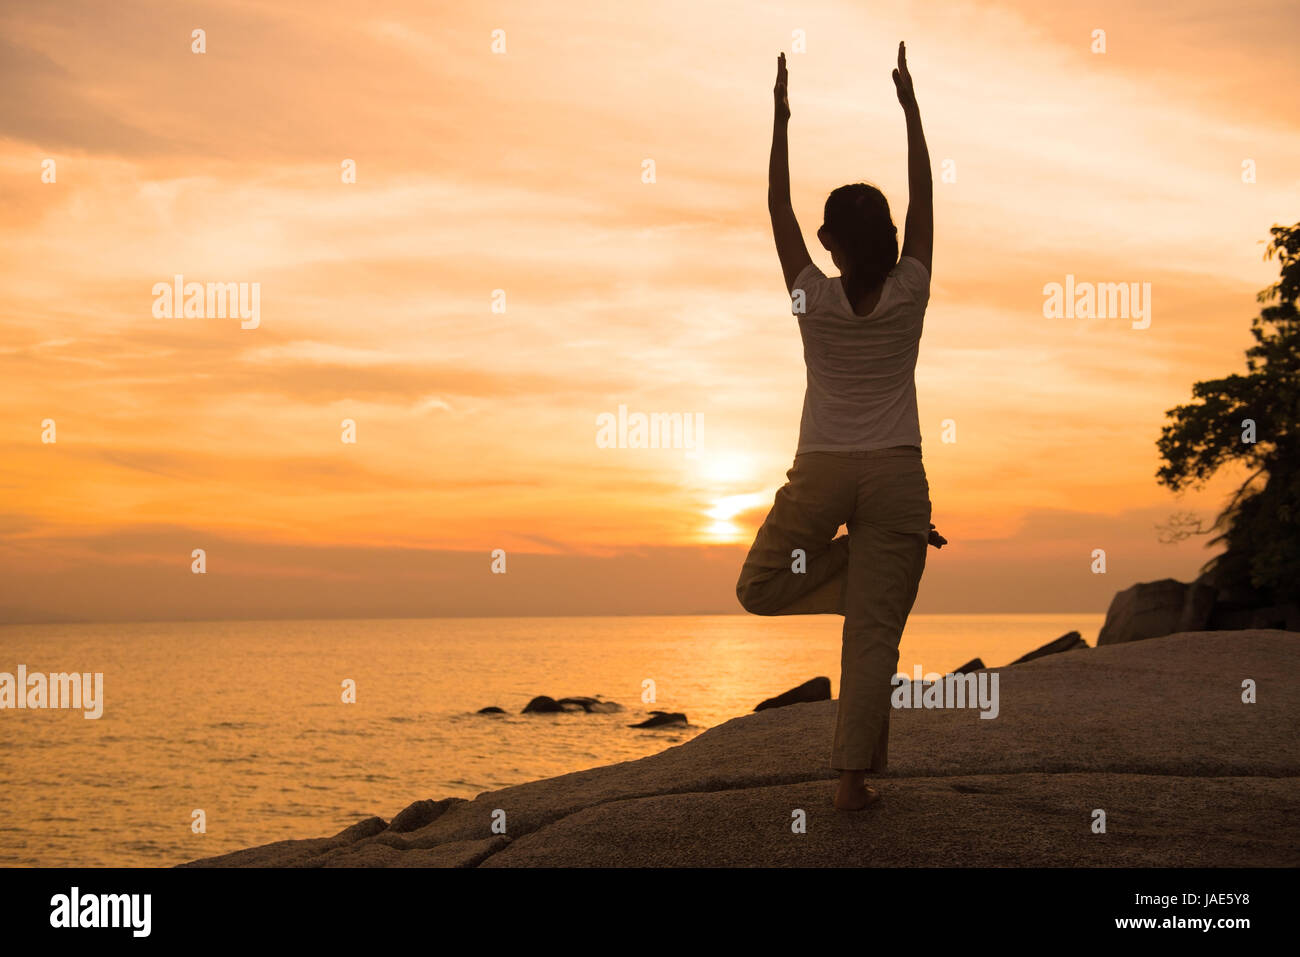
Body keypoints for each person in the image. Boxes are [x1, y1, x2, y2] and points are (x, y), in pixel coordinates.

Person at [736, 42, 945, 811]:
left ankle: (853, 784)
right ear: (887, 237)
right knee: (872, 636)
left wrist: (780, 119)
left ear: (829, 243)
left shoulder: (811, 301)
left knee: (760, 587)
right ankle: (852, 781)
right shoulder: (912, 288)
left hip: (823, 469)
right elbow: (928, 198)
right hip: (897, 476)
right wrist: (911, 111)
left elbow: (775, 209)